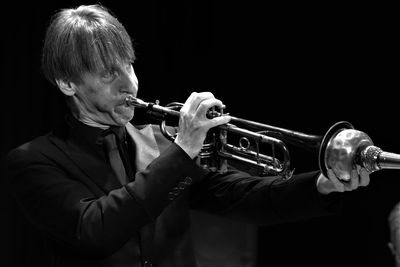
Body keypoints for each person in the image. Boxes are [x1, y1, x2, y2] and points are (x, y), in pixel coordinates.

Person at [4, 4, 370, 267]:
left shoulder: (159, 142)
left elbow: (241, 197)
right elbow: (96, 230)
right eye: (107, 73)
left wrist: (322, 185)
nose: (127, 82)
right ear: (68, 84)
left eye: (128, 65)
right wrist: (182, 151)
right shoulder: (34, 161)